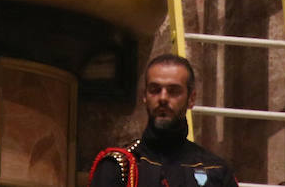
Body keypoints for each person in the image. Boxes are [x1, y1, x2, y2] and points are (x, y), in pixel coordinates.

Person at [88, 54, 237, 187]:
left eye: (173, 91)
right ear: (145, 96)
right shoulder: (118, 166)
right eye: (155, 90)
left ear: (191, 99)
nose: (163, 98)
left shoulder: (216, 171)